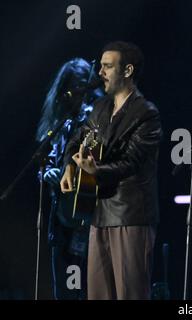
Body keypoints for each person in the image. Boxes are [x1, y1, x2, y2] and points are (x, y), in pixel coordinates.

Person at [60, 41, 162, 300]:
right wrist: (70, 167)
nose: (100, 73)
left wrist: (97, 169)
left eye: (107, 66)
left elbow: (131, 162)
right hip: (100, 213)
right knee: (98, 293)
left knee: (130, 293)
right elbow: (77, 138)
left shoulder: (146, 113)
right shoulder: (100, 108)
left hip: (130, 214)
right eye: (101, 66)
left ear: (127, 70)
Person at [36, 58, 103, 299]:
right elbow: (46, 164)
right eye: (70, 86)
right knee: (63, 292)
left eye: (80, 85)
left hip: (90, 221)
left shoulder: (97, 118)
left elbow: (98, 161)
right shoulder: (60, 124)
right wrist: (48, 173)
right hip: (62, 222)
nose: (74, 93)